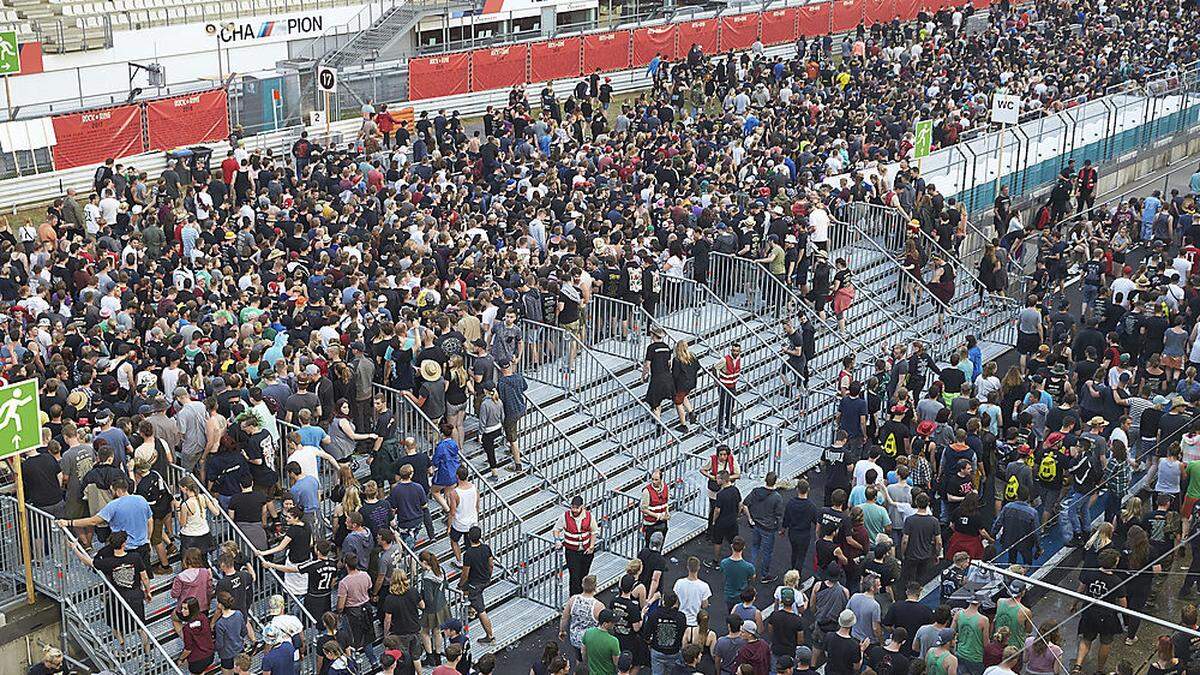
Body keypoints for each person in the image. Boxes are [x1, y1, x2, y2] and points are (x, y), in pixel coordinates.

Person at [1073, 549, 1126, 673]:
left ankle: (1078, 665)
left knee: (1086, 639)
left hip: (1089, 612)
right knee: (1105, 642)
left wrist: (1074, 604)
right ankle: (1100, 670)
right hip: (1107, 616)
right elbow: (1123, 604)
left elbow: (1080, 590)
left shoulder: (1090, 574)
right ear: (1114, 564)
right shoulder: (1117, 581)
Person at [742, 471, 784, 583]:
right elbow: (779, 515)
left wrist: (750, 519)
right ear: (775, 482)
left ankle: (750, 572)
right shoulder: (777, 497)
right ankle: (765, 575)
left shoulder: (756, 491)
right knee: (767, 552)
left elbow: (745, 504)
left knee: (755, 548)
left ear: (765, 479)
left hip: (756, 525)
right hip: (768, 529)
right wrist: (780, 529)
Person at [555, 495, 598, 597]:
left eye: (576, 507)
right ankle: (574, 598)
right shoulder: (565, 516)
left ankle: (583, 596)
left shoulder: (589, 516)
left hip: (586, 551)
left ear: (582, 507)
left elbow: (594, 532)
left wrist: (591, 546)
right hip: (572, 551)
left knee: (584, 575)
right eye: (572, 507)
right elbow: (556, 529)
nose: (574, 510)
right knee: (574, 576)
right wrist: (557, 540)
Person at [460, 526, 495, 643]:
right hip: (485, 580)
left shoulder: (468, 554)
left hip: (475, 584)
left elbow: (465, 573)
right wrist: (489, 576)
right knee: (473, 598)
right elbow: (491, 565)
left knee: (481, 610)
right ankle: (471, 609)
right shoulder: (486, 548)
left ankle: (490, 636)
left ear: (469, 538)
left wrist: (460, 585)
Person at [583, 609, 622, 675]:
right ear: (605, 624)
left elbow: (583, 652)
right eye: (612, 622)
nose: (614, 624)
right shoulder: (613, 641)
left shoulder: (588, 632)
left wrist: (587, 664)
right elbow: (616, 662)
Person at [641, 468, 671, 547]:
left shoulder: (665, 487)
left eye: (656, 480)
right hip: (650, 524)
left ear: (661, 479)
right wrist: (657, 516)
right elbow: (643, 509)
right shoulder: (647, 491)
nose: (654, 482)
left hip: (662, 521)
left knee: (660, 544)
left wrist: (667, 513)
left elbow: (666, 502)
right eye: (652, 479)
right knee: (649, 546)